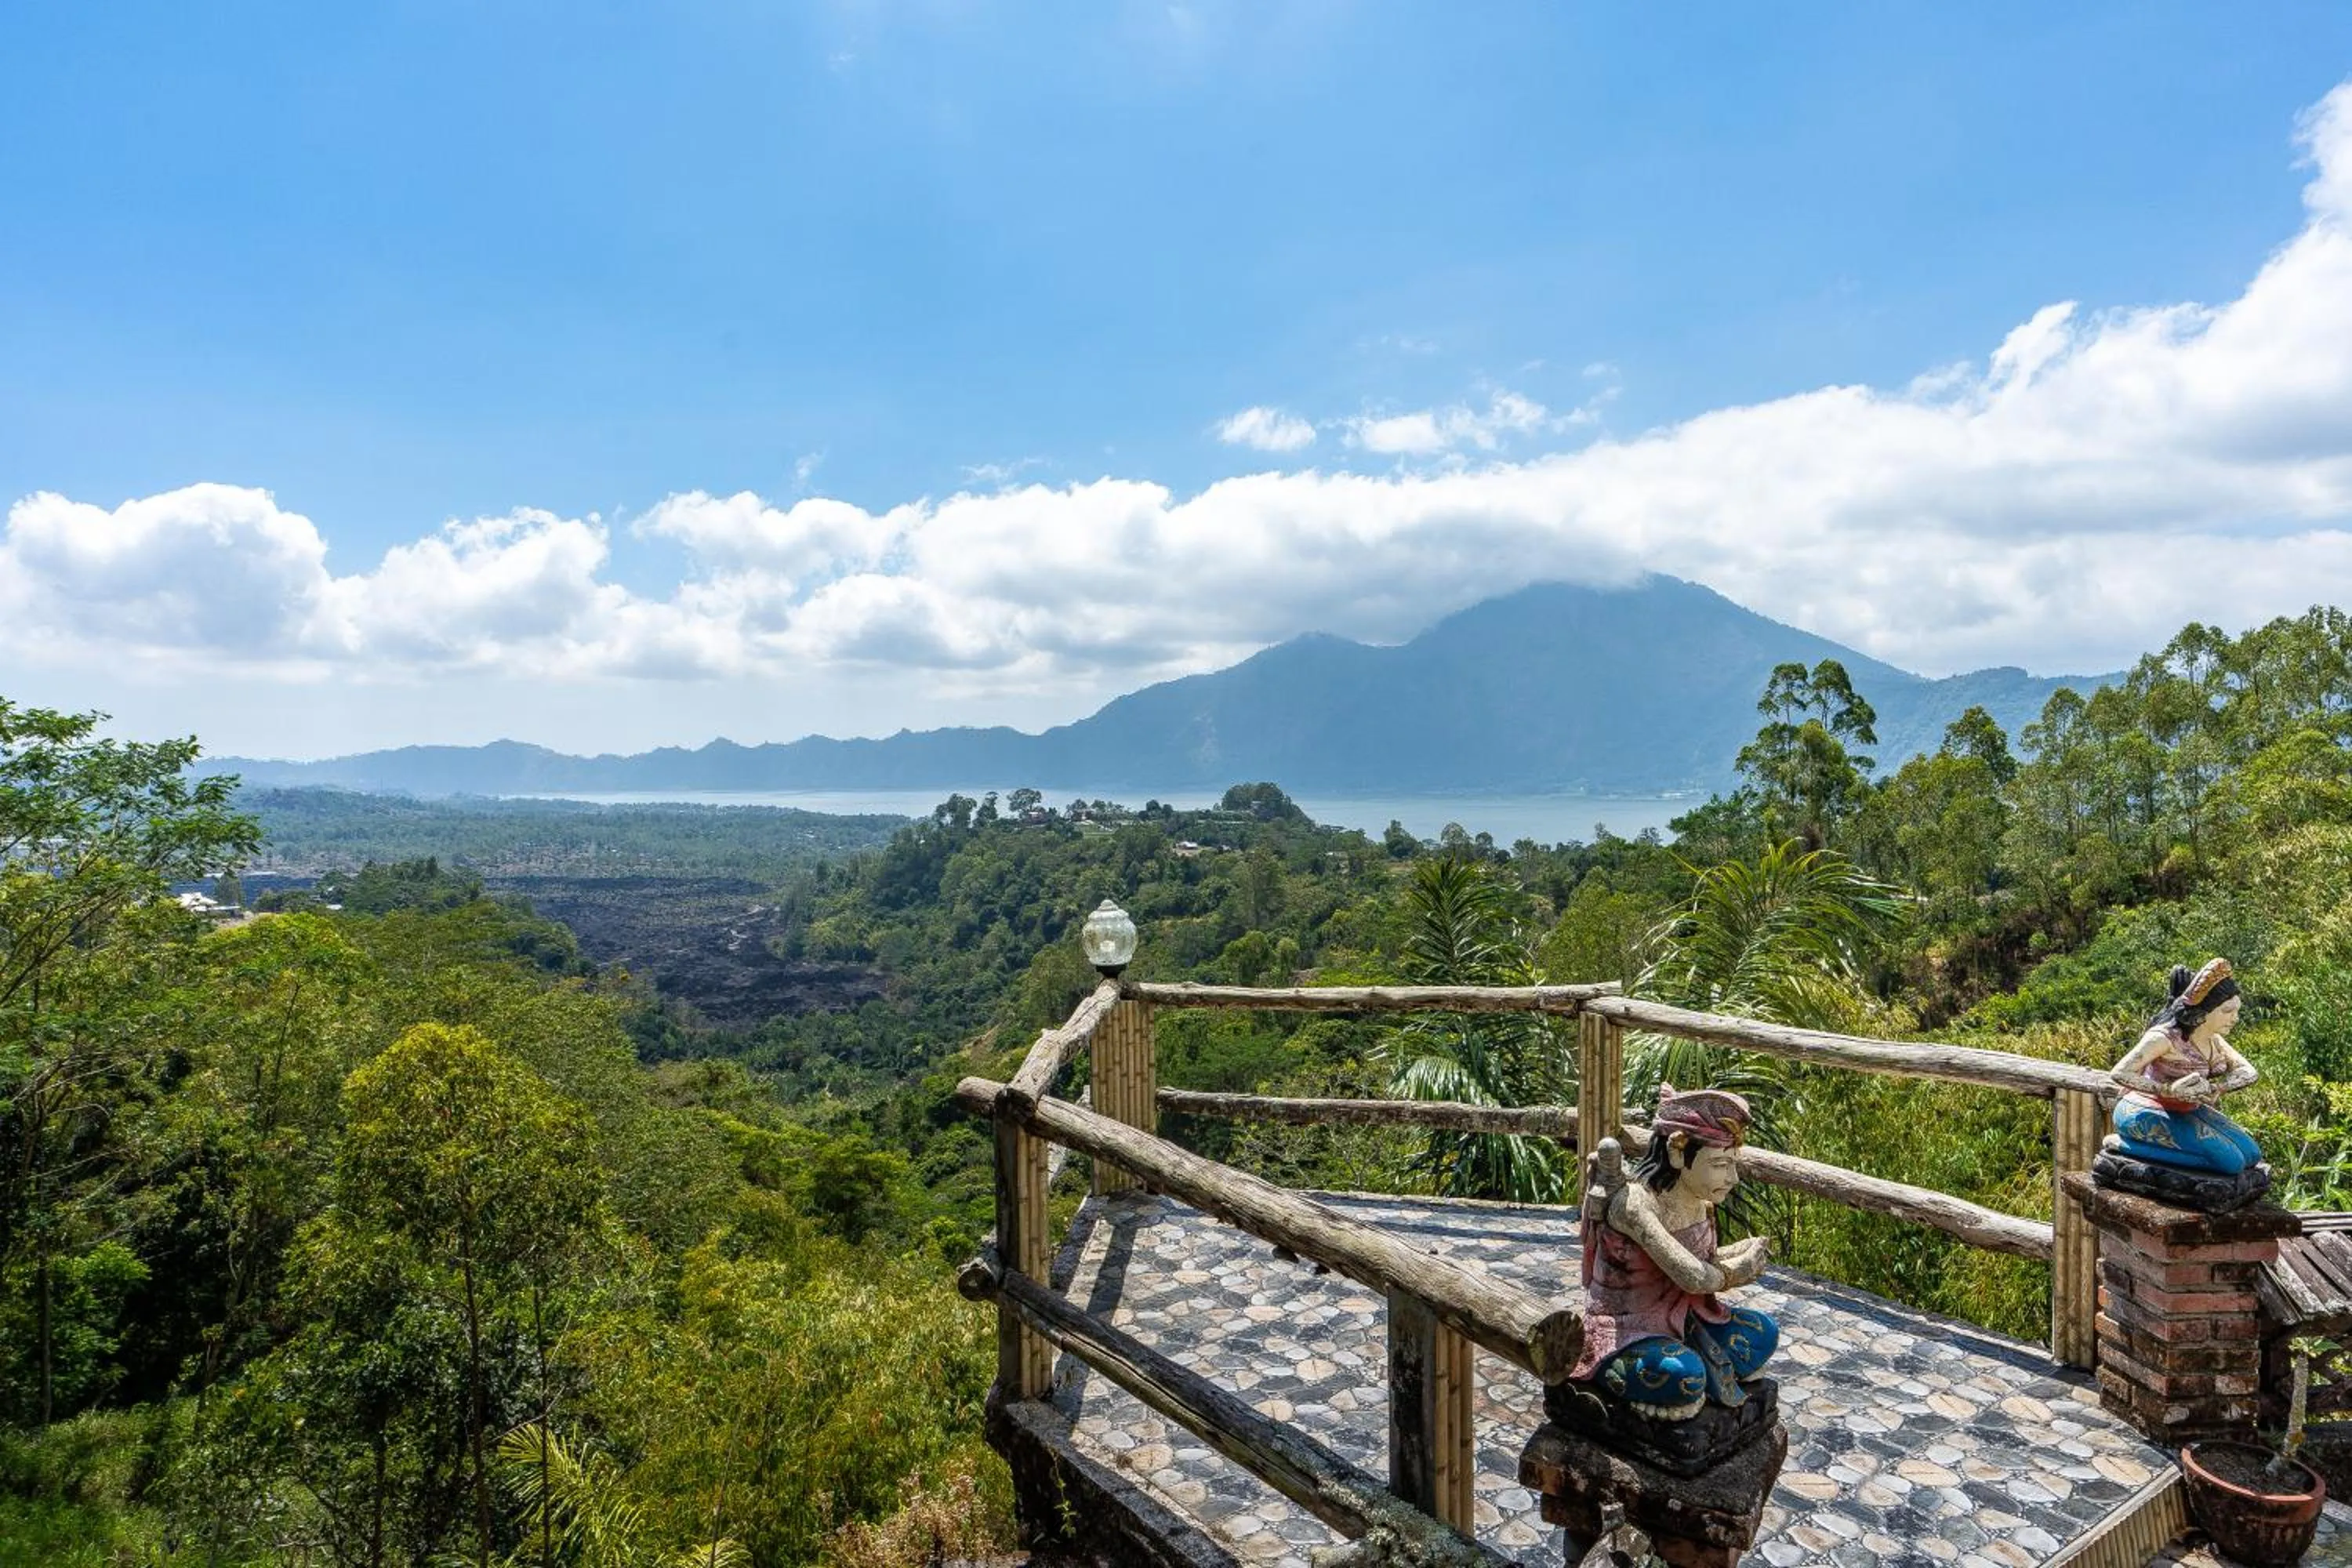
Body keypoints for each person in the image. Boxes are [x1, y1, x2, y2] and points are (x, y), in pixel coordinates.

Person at [1570, 1085, 1778, 1421]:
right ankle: (1609, 1373)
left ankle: (1685, 1362)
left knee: (1764, 1333)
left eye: (1733, 1164)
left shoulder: (1700, 1203)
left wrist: (1743, 1250)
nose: (1733, 1178)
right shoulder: (1636, 1204)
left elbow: (1702, 1259)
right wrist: (1740, 1270)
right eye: (1720, 1165)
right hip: (1628, 1327)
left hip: (1687, 1318)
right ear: (1678, 1153)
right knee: (1686, 1377)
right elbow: (1693, 1276)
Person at [2107, 958, 2263, 1175]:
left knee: (2252, 1154)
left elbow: (2248, 1071)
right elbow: (2119, 1072)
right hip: (2143, 1109)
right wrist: (2167, 1090)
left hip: (2186, 1110)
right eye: (2227, 1011)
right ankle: (2125, 1145)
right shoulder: (2165, 1038)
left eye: (2236, 1011)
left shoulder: (2213, 1039)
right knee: (2232, 1163)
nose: (2235, 1019)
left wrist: (2218, 1088)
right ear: (2205, 1011)